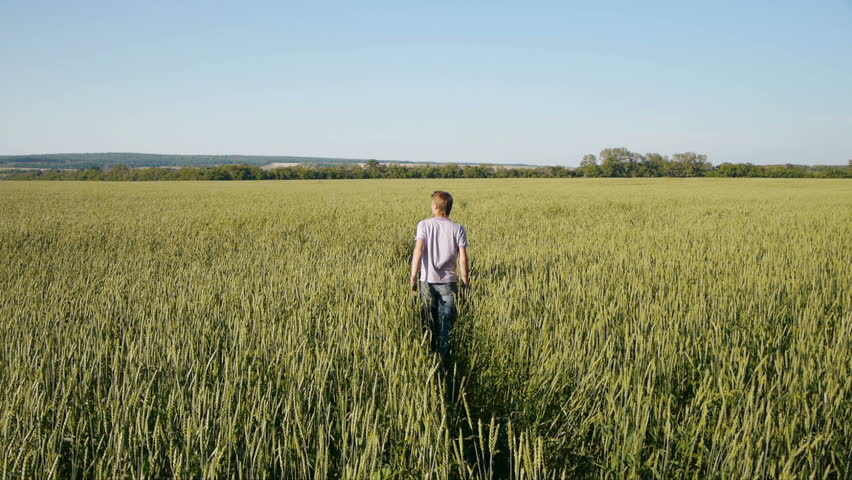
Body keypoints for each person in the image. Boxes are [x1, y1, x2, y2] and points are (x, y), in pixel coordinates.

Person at [410, 191, 469, 369]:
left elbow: (418, 252)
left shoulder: (424, 225)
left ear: (435, 207)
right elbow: (463, 259)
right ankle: (444, 365)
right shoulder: (458, 229)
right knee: (446, 324)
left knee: (428, 321)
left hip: (426, 281)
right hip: (449, 283)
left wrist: (413, 277)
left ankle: (428, 358)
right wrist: (465, 282)